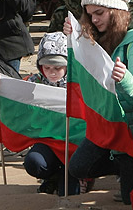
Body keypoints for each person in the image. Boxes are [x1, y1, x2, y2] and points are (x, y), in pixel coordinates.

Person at [65, 0, 133, 204]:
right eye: (89, 15)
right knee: (77, 167)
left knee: (129, 199)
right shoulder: (95, 34)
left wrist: (125, 79)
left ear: (116, 12)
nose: (94, 19)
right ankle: (122, 168)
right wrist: (73, 36)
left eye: (100, 13)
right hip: (107, 124)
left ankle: (130, 167)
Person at [12, 32, 82, 195]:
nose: (51, 72)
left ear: (67, 65)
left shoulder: (79, 83)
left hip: (74, 143)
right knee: (34, 163)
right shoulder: (34, 82)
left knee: (70, 193)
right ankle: (52, 176)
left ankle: (79, 177)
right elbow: (12, 94)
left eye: (57, 68)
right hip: (47, 141)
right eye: (46, 67)